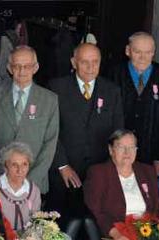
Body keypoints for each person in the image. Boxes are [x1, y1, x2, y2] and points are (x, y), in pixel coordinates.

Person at [47, 43, 124, 217]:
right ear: (74, 63)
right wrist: (63, 165)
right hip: (64, 172)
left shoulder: (112, 90)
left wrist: (111, 168)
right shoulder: (56, 88)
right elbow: (50, 131)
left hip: (98, 172)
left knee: (93, 222)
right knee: (59, 222)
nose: (90, 67)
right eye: (84, 62)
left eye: (95, 62)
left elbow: (117, 133)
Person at [0, 46, 60, 196]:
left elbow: (50, 144)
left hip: (33, 183)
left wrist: (29, 181)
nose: (22, 71)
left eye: (27, 66)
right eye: (17, 66)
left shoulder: (49, 100)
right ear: (9, 68)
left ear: (36, 67)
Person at [107, 32, 159, 176]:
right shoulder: (114, 73)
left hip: (151, 156)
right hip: (119, 153)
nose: (142, 57)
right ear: (128, 51)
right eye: (137, 51)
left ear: (153, 53)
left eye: (148, 52)